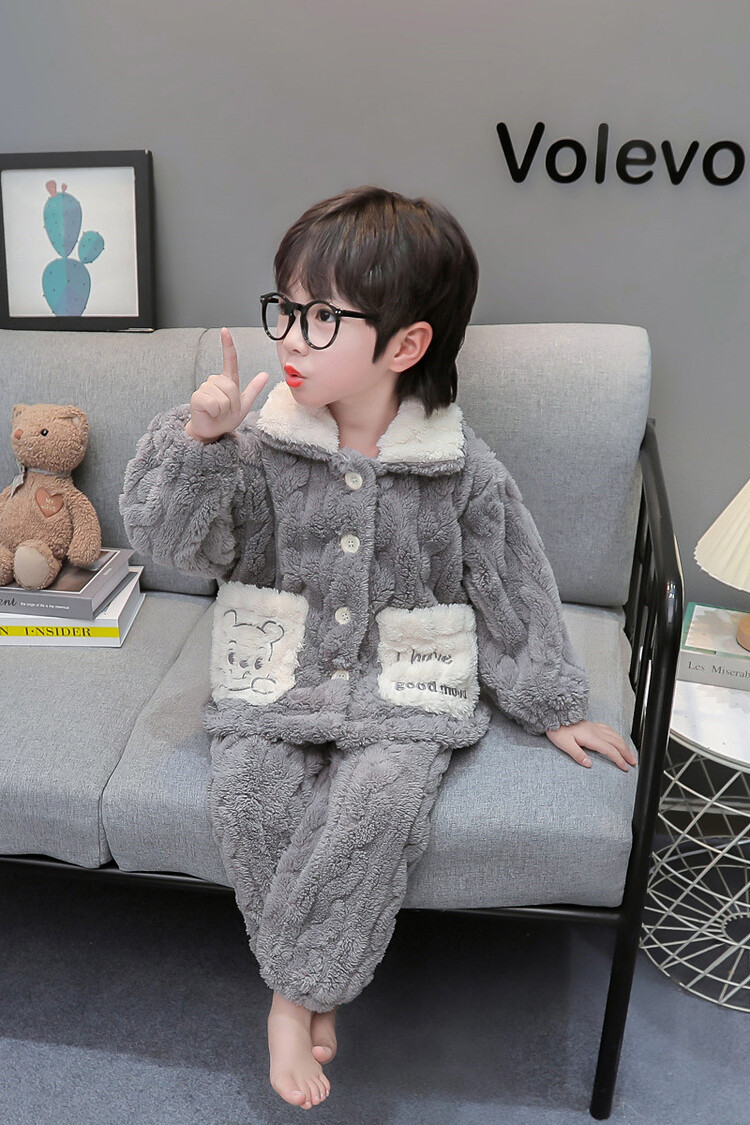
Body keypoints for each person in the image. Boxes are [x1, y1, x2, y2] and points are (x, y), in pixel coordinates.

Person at [119, 185, 636, 1111]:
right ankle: (310, 982)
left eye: (322, 317)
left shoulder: (461, 466)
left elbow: (509, 580)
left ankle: (290, 1001)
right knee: (246, 790)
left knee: (381, 803)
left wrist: (554, 702)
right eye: (287, 307)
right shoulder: (261, 443)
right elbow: (174, 542)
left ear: (405, 345)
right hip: (276, 672)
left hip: (405, 683)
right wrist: (201, 440)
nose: (291, 336)